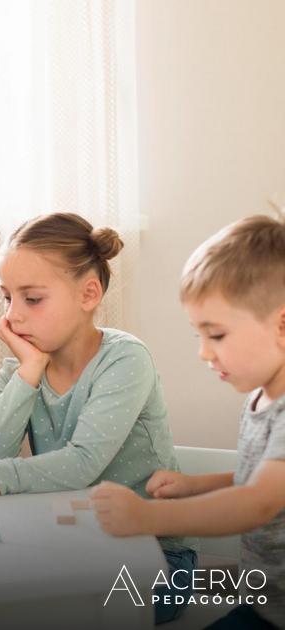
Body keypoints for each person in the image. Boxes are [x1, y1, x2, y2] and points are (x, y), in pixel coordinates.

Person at [0, 212, 195, 624]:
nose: (12, 317)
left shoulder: (125, 359)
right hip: (73, 539)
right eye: (7, 298)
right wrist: (30, 372)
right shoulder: (20, 367)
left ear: (88, 294)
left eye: (32, 299)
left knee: (45, 611)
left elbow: (81, 463)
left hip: (158, 557)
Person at [92, 213, 285, 629]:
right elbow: (263, 480)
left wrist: (148, 519)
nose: (203, 352)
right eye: (198, 335)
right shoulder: (261, 396)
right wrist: (195, 485)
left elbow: (260, 502)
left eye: (215, 335)